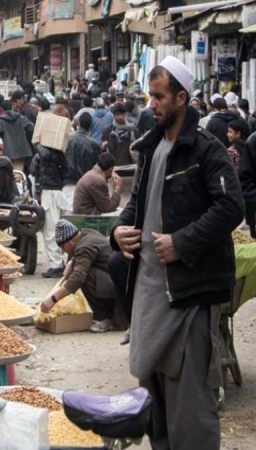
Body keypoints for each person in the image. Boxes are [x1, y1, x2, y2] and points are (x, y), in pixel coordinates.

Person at [112, 56, 244, 450]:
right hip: (150, 294)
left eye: (158, 97)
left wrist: (182, 241)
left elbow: (231, 206)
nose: (150, 104)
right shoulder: (152, 148)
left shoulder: (206, 150)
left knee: (190, 406)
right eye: (148, 96)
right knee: (154, 400)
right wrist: (119, 229)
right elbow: (135, 204)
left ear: (181, 99)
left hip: (188, 295)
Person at [41, 219, 121, 333]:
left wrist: (53, 299)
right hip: (116, 280)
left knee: (84, 275)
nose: (64, 252)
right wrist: (72, 261)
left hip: (120, 288)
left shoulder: (84, 247)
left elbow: (78, 278)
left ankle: (104, 318)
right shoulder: (87, 234)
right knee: (79, 270)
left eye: (63, 247)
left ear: (70, 242)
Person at [30, 104, 71, 278]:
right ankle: (58, 262)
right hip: (55, 190)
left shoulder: (52, 150)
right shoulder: (60, 150)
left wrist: (37, 143)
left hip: (51, 192)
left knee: (50, 231)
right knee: (54, 229)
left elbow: (45, 155)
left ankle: (56, 264)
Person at [64, 113, 102, 212]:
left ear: (79, 124)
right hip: (87, 184)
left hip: (68, 182)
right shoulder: (94, 145)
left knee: (68, 213)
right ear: (90, 126)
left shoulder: (67, 140)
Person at [0, 90, 35, 174]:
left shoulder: (0, 121)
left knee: (9, 177)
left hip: (7, 154)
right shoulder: (21, 118)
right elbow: (31, 128)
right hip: (22, 152)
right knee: (19, 175)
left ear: (2, 109)